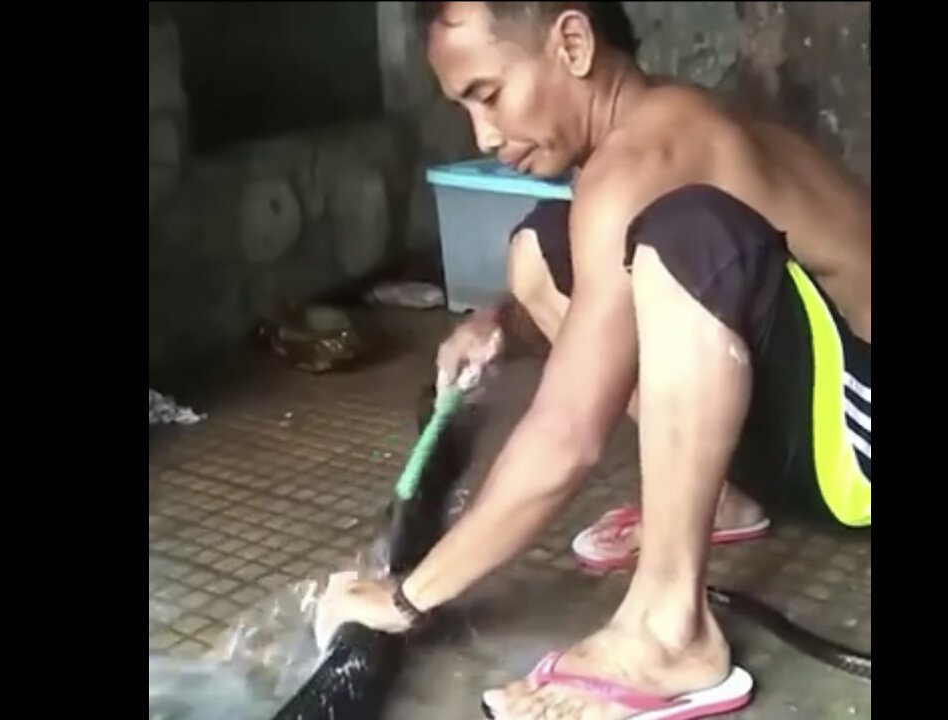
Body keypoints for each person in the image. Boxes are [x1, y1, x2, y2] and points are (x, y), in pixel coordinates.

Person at [318, 3, 872, 719]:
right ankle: (726, 497)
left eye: (488, 95)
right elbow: (591, 296)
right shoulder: (654, 130)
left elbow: (568, 433)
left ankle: (669, 631)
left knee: (689, 237)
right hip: (823, 426)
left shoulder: (648, 162)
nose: (484, 136)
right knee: (542, 250)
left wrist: (405, 596)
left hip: (861, 447)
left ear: (573, 43)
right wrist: (496, 325)